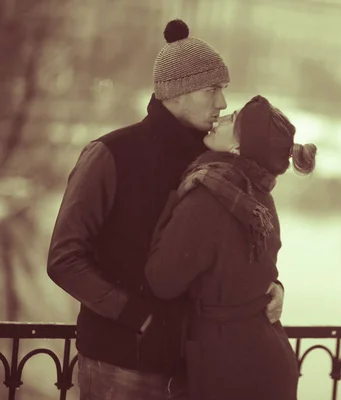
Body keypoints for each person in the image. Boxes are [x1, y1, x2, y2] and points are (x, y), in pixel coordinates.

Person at [46, 20, 285, 400]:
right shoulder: (111, 154)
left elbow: (238, 248)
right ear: (176, 93)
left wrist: (270, 288)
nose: (222, 102)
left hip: (198, 371)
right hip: (120, 366)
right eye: (213, 89)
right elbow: (64, 259)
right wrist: (136, 316)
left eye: (222, 89)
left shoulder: (219, 164)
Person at [144, 94, 317, 400]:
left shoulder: (208, 199)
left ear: (238, 148)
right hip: (264, 359)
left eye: (231, 120)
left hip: (228, 370)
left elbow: (162, 280)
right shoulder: (260, 198)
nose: (220, 118)